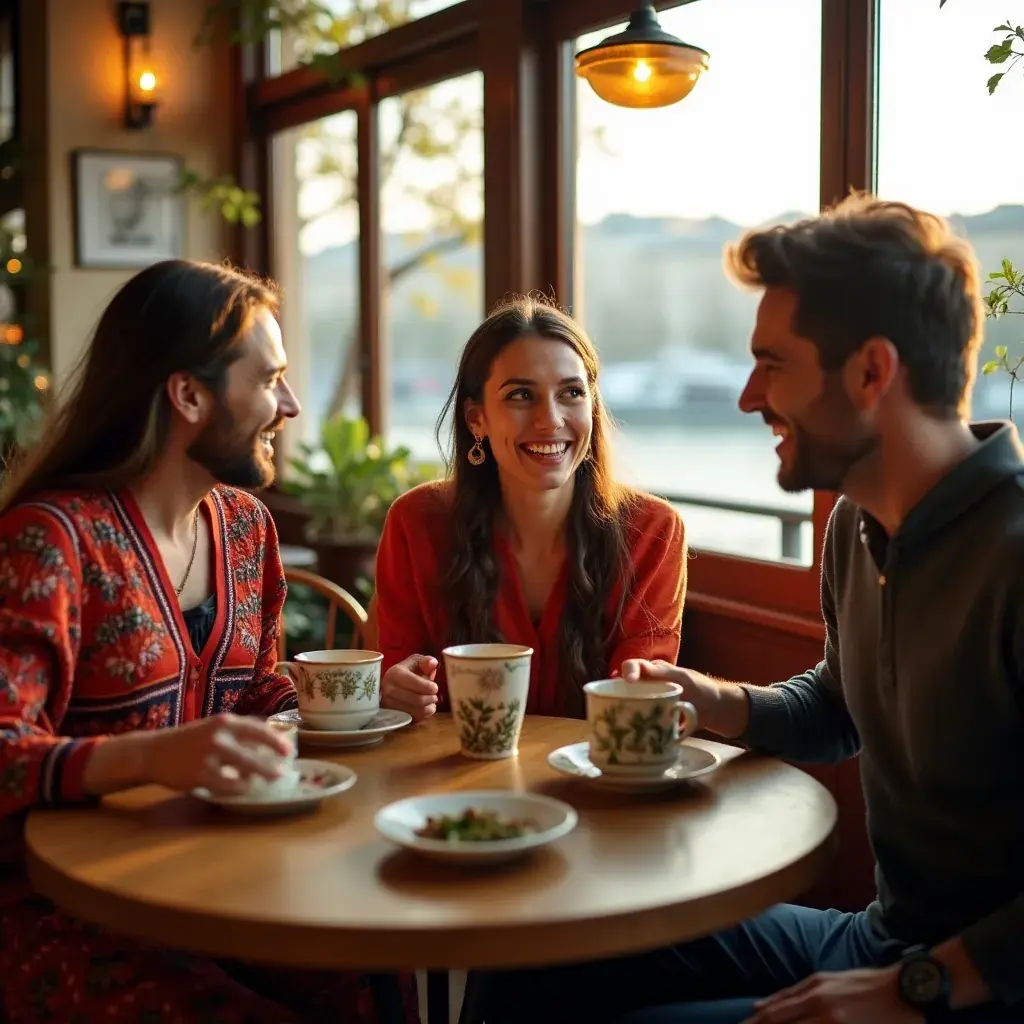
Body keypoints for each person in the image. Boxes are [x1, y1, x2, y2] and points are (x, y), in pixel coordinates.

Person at [475, 194, 1024, 1023]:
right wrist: (715, 700)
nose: (746, 396)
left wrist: (919, 988)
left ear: (871, 373)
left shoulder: (1013, 554)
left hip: (968, 990)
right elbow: (837, 707)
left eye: (773, 364)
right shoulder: (857, 526)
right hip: (881, 941)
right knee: (533, 946)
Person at [0, 261, 418, 1023]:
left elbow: (255, 693)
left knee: (373, 973)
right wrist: (150, 756)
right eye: (270, 380)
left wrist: (350, 699)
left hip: (214, 869)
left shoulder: (246, 528)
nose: (290, 405)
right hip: (64, 904)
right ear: (188, 395)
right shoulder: (51, 541)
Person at [375, 294, 686, 721]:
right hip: (451, 763)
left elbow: (638, 701)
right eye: (521, 395)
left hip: (593, 763)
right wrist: (396, 689)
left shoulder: (652, 530)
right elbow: (397, 674)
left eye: (571, 393)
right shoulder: (416, 522)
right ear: (476, 418)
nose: (550, 419)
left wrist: (643, 687)